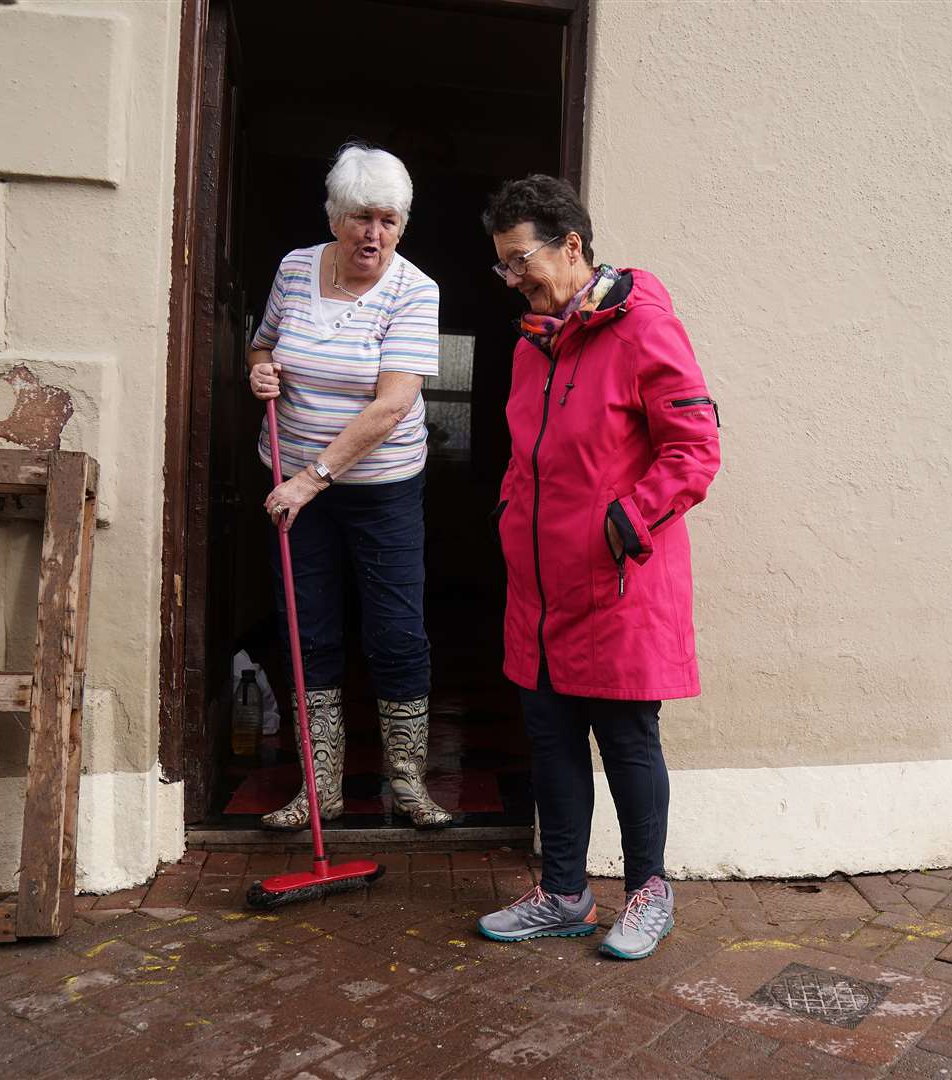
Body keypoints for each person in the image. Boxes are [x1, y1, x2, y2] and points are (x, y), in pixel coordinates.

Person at [475, 175, 721, 959]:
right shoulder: (531, 345)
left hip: (617, 584)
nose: (514, 280)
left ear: (572, 246)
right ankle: (564, 892)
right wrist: (512, 518)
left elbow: (694, 450)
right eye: (504, 267)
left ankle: (648, 892)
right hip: (541, 586)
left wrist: (629, 518)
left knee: (626, 740)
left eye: (522, 262)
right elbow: (526, 458)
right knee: (550, 740)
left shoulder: (645, 327)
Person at [246, 143, 452, 830]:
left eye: (390, 220)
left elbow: (392, 406)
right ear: (336, 217)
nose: (375, 235)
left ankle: (407, 786)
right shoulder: (296, 267)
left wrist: (311, 479)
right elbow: (263, 342)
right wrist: (260, 369)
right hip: (292, 481)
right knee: (308, 629)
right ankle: (318, 790)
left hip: (379, 488)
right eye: (362, 217)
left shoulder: (415, 291)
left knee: (397, 632)